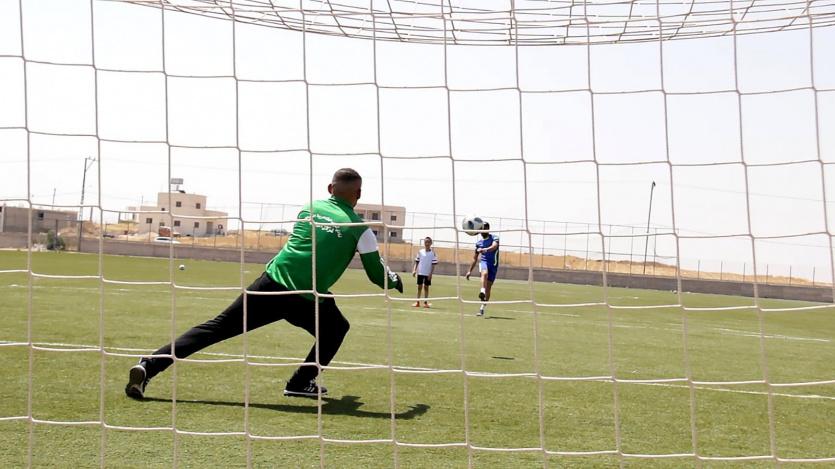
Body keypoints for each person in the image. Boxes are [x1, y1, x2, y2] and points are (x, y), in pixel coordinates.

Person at [125, 168, 404, 399]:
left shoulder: (310, 208)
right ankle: (300, 381)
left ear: (330, 188)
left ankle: (149, 366)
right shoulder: (360, 229)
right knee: (336, 329)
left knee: (215, 329)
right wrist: (393, 279)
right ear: (358, 194)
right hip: (305, 297)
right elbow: (375, 274)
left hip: (271, 285)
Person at [465, 222, 499, 317]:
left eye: (485, 228)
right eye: (482, 229)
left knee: (489, 288)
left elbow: (494, 246)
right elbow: (474, 258)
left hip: (493, 265)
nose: (483, 230)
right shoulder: (478, 243)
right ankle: (482, 291)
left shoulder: (494, 238)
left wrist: (485, 249)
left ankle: (482, 308)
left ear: (488, 229)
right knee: (484, 273)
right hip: (484, 262)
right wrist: (469, 271)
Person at [411, 236, 438, 308]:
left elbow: (433, 265)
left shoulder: (433, 253)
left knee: (426, 287)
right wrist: (414, 270)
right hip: (420, 272)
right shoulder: (420, 252)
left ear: (431, 243)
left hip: (427, 273)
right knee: (419, 287)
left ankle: (425, 303)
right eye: (426, 242)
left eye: (428, 242)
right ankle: (417, 302)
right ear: (424, 243)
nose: (427, 243)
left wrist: (430, 274)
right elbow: (417, 261)